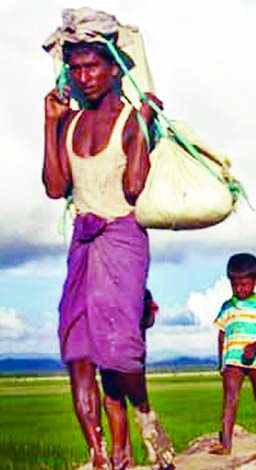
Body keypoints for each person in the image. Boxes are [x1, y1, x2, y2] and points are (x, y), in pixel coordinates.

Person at [43, 38, 174, 469]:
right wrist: (50, 125)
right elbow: (55, 187)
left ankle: (144, 415)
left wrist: (145, 127)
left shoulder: (132, 121)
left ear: (115, 69)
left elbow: (135, 188)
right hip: (82, 245)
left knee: (118, 353)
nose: (84, 77)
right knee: (78, 350)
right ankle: (100, 456)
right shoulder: (70, 122)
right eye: (76, 69)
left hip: (122, 241)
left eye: (92, 67)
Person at [211, 253, 256, 455]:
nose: (240, 289)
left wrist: (254, 347)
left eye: (244, 284)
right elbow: (221, 335)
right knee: (230, 399)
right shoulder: (227, 307)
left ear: (255, 281)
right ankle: (226, 444)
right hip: (232, 359)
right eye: (235, 285)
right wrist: (221, 362)